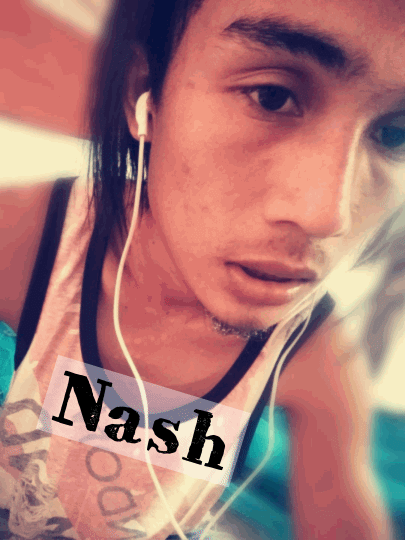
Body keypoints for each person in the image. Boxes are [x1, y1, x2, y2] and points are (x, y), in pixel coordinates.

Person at [1, 0, 405, 538]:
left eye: (396, 134)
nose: (326, 217)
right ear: (144, 96)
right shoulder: (23, 238)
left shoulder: (315, 355)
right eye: (271, 96)